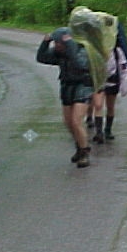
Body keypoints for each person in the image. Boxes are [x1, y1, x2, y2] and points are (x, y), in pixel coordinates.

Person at [37, 27, 94, 168]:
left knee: (76, 121)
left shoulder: (81, 51)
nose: (56, 45)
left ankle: (85, 152)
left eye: (59, 43)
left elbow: (80, 65)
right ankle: (79, 146)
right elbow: (41, 58)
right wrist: (45, 42)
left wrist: (70, 46)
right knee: (68, 122)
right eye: (55, 43)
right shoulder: (58, 53)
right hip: (67, 86)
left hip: (83, 85)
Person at [89, 42, 127, 143]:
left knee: (110, 106)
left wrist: (124, 84)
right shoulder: (94, 50)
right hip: (98, 81)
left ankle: (108, 129)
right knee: (98, 105)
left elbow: (123, 68)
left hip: (112, 81)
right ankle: (99, 132)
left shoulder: (117, 52)